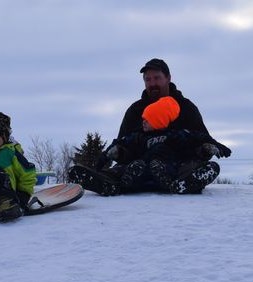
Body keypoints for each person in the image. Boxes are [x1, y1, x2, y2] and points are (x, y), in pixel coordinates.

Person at [69, 58, 230, 195]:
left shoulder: (186, 108)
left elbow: (199, 139)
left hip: (176, 168)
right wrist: (117, 152)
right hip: (140, 168)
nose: (152, 83)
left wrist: (207, 148)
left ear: (168, 78)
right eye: (148, 79)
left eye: (157, 78)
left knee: (198, 166)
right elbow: (125, 142)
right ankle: (107, 182)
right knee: (125, 169)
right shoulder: (135, 110)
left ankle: (184, 184)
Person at [101, 96, 231, 193]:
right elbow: (122, 141)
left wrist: (211, 145)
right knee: (132, 167)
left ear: (158, 120)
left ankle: (183, 185)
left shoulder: (175, 135)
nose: (143, 122)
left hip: (170, 171)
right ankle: (106, 180)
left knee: (211, 166)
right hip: (142, 171)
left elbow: (197, 136)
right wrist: (111, 153)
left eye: (147, 119)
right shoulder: (140, 136)